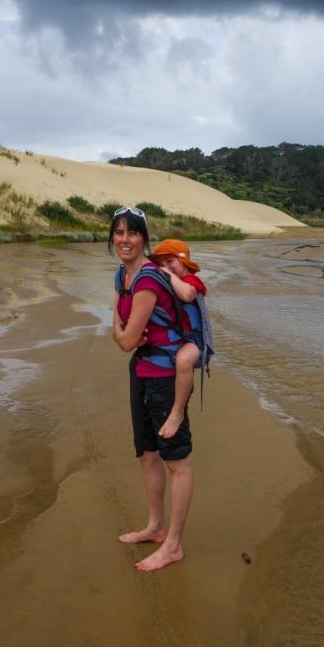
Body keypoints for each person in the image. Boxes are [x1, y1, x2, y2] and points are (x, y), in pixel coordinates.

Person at [109, 206, 193, 571]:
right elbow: (118, 325)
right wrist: (119, 332)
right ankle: (156, 528)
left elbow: (126, 338)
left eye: (132, 233)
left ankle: (173, 545)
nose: (124, 240)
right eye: (119, 232)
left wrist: (119, 333)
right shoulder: (121, 276)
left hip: (164, 376)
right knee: (147, 454)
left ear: (144, 239)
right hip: (140, 370)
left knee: (177, 462)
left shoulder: (146, 280)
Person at [150, 239, 207, 441]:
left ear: (184, 261)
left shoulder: (191, 281)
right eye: (161, 264)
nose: (166, 267)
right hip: (177, 340)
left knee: (184, 360)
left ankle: (177, 411)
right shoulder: (170, 281)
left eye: (170, 261)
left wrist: (167, 275)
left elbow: (187, 295)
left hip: (194, 344)